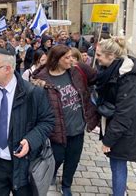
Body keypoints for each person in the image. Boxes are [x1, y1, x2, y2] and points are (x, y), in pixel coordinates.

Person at [0, 49, 55, 195]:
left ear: (8, 69)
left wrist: (30, 141)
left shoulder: (34, 93)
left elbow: (47, 121)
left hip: (24, 165)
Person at [31, 45, 99, 196]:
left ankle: (66, 185)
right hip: (56, 129)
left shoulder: (76, 71)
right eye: (67, 57)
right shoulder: (42, 79)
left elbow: (98, 77)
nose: (71, 60)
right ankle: (52, 172)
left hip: (77, 127)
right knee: (57, 157)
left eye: (71, 57)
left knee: (73, 159)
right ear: (56, 59)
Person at [94, 37, 136, 196]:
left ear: (111, 56)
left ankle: (119, 193)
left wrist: (108, 140)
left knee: (117, 165)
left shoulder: (128, 77)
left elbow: (125, 113)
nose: (97, 58)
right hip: (117, 126)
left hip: (125, 129)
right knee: (117, 164)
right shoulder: (111, 69)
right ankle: (120, 191)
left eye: (99, 55)